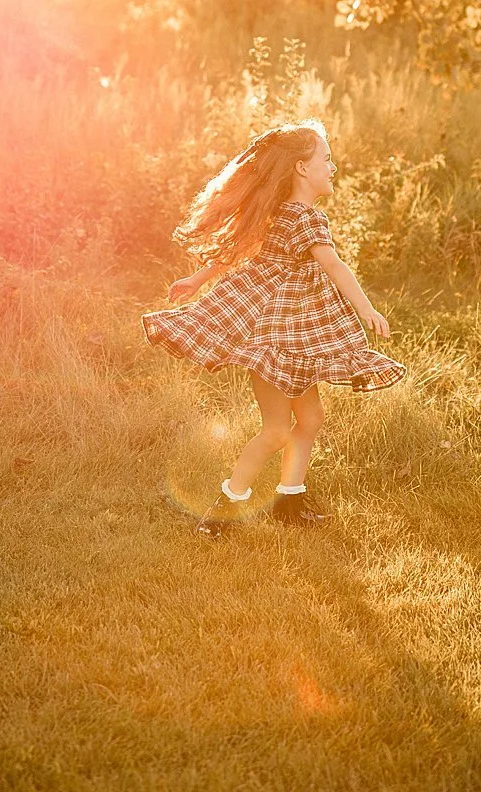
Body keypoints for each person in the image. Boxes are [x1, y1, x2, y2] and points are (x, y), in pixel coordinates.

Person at [144, 121, 403, 536]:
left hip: (296, 336)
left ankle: (289, 499)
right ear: (302, 168)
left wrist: (197, 279)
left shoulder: (283, 212)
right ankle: (225, 507)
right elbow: (334, 266)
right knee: (277, 430)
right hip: (273, 335)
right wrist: (367, 310)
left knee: (312, 417)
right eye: (327, 159)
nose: (333, 167)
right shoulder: (305, 220)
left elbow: (238, 250)